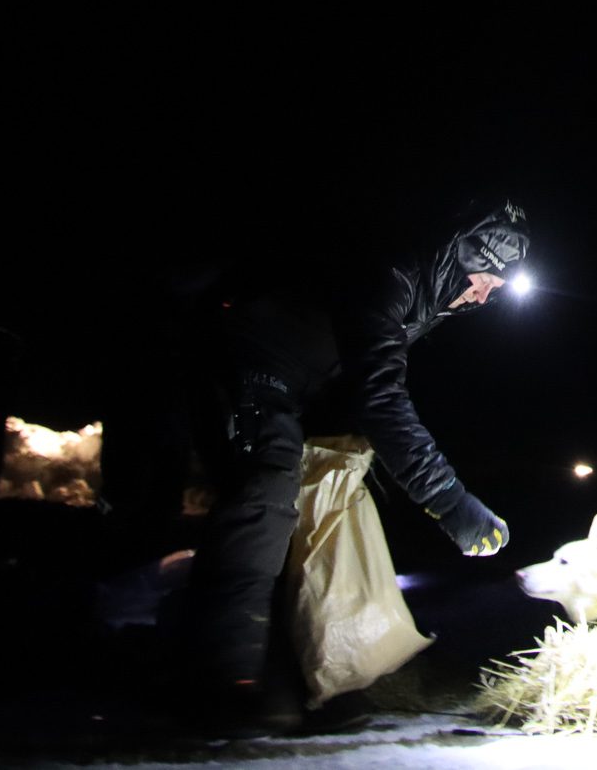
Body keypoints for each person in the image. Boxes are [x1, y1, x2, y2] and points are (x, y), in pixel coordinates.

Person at [178, 198, 532, 737]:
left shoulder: (427, 296)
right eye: (483, 279)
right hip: (245, 358)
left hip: (302, 388)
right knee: (267, 492)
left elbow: (359, 381)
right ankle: (220, 680)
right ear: (455, 259)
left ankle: (309, 680)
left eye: (495, 289)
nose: (484, 295)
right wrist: (450, 500)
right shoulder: (389, 275)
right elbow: (381, 396)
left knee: (333, 503)